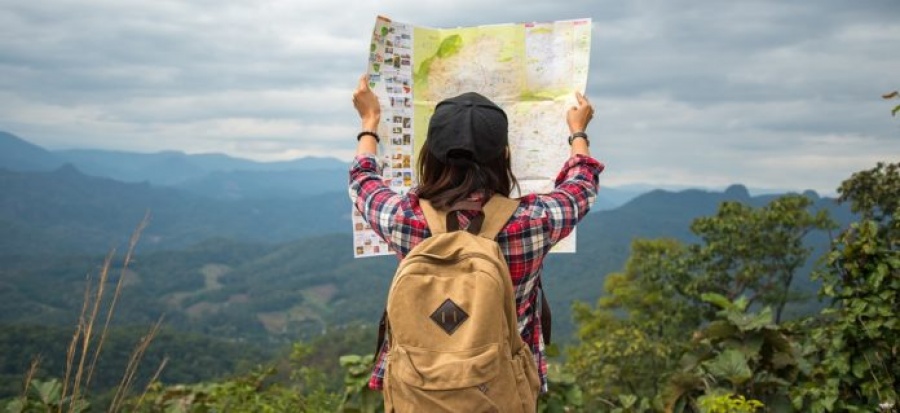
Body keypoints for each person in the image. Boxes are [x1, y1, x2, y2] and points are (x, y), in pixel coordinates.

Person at [349, 74, 604, 395]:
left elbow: (363, 180)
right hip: (501, 391)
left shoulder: (405, 218)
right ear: (505, 157)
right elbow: (582, 184)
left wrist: (369, 121)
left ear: (429, 155)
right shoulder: (532, 222)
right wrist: (578, 132)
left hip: (422, 392)